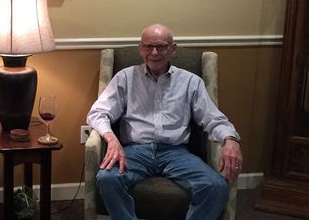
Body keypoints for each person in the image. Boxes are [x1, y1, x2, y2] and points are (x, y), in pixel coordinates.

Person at [87, 24, 243, 220]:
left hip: (176, 152)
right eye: (148, 46)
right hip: (136, 150)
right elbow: (98, 113)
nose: (154, 53)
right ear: (140, 48)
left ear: (173, 49)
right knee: (107, 179)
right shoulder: (125, 78)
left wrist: (230, 139)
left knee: (215, 186)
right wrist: (111, 139)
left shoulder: (190, 82)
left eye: (161, 47)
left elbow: (213, 118)